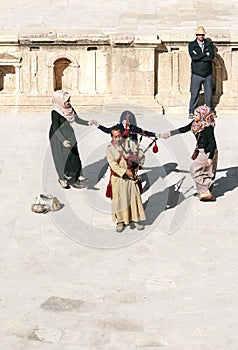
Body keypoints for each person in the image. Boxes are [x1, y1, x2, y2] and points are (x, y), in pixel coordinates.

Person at [160, 105, 218, 201]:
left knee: (195, 170)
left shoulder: (207, 127)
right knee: (205, 172)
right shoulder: (196, 123)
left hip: (207, 152)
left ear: (203, 115)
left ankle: (205, 192)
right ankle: (204, 192)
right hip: (201, 150)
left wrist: (210, 157)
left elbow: (212, 143)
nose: (194, 116)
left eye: (196, 114)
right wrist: (170, 133)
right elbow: (185, 128)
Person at [49, 90, 93, 189]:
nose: (68, 103)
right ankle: (61, 178)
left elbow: (76, 119)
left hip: (69, 133)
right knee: (60, 158)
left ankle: (77, 174)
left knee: (74, 155)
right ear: (59, 101)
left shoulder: (69, 108)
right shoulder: (55, 112)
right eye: (66, 101)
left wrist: (87, 122)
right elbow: (56, 128)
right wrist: (63, 141)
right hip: (57, 136)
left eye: (69, 100)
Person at [106, 126, 146, 232]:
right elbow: (113, 165)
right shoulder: (109, 149)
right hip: (118, 179)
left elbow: (140, 153)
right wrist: (124, 172)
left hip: (131, 177)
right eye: (115, 137)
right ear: (112, 137)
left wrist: (138, 165)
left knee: (134, 198)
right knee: (119, 201)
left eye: (119, 136)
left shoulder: (129, 144)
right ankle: (120, 221)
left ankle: (135, 218)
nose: (118, 138)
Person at [188, 26, 215, 118]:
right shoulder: (192, 45)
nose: (201, 36)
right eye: (199, 35)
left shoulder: (209, 44)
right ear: (196, 35)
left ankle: (209, 111)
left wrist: (199, 56)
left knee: (209, 94)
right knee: (194, 93)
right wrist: (204, 54)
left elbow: (211, 57)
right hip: (197, 73)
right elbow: (194, 57)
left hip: (208, 73)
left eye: (202, 35)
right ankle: (191, 111)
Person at [91, 110, 159, 142]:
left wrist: (157, 135)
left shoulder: (133, 128)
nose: (125, 124)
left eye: (127, 123)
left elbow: (144, 133)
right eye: (123, 123)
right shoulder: (118, 127)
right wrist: (96, 124)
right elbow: (107, 130)